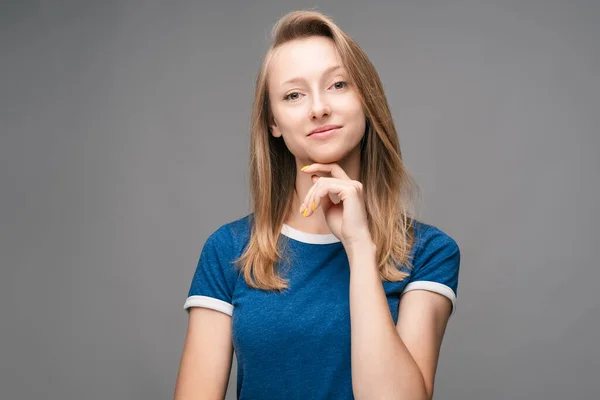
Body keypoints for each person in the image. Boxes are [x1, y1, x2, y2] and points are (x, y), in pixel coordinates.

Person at [174, 10, 460, 400]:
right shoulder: (229, 251)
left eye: (338, 84)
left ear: (366, 99)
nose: (318, 108)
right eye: (293, 95)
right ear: (273, 122)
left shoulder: (429, 253)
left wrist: (360, 247)